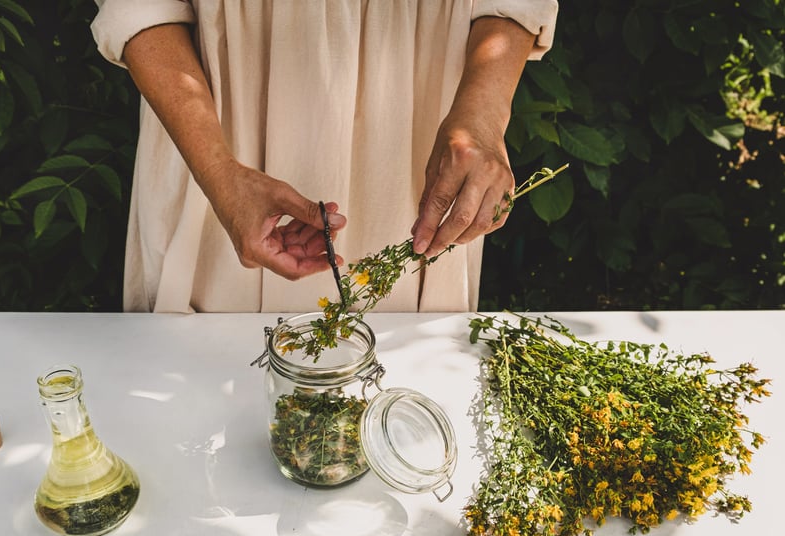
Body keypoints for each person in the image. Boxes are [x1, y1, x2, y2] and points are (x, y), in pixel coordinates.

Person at [91, 1, 558, 313]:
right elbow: (139, 6)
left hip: (414, 125)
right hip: (216, 136)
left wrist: (481, 114)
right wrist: (219, 171)